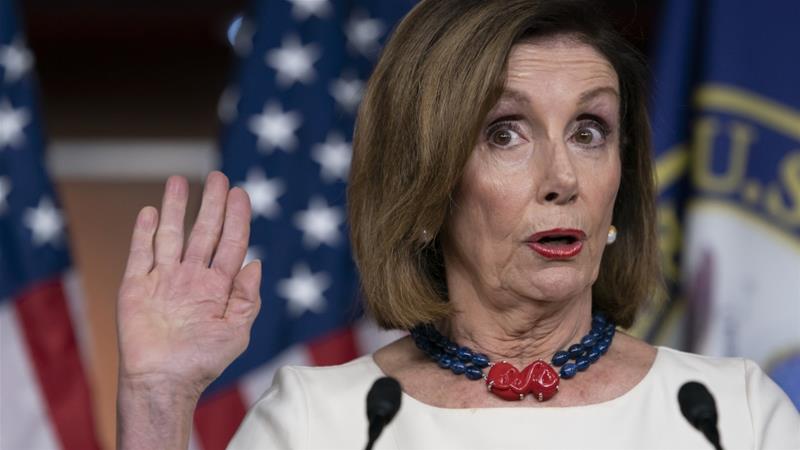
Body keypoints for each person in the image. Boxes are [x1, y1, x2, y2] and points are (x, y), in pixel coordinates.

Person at [116, 0, 800, 449]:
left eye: (589, 131)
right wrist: (158, 395)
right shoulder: (321, 421)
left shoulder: (725, 413)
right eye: (506, 133)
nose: (562, 177)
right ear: (426, 183)